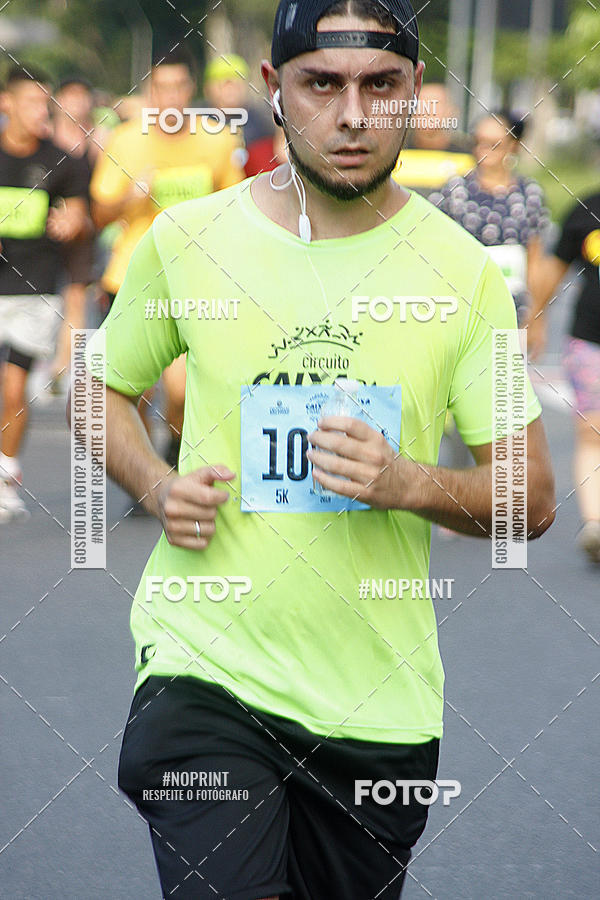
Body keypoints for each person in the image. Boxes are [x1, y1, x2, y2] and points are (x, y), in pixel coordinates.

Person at [77, 1, 556, 896]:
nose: (351, 115)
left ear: (416, 94)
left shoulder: (462, 275)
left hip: (377, 709)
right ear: (275, 90)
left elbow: (531, 498)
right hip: (203, 668)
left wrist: (407, 479)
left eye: (380, 86)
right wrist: (152, 479)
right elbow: (98, 389)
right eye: (322, 84)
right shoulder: (189, 242)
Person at [90, 46, 245, 470]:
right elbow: (98, 212)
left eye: (179, 87)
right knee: (133, 389)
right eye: (162, 88)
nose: (171, 97)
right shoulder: (126, 140)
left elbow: (236, 202)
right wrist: (128, 198)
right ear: (150, 92)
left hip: (193, 280)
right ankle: (144, 470)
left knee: (179, 392)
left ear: (190, 90)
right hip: (130, 277)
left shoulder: (216, 138)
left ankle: (174, 456)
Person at [0, 64, 88, 521]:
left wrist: (75, 222)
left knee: (13, 388)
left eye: (46, 102)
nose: (41, 111)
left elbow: (82, 217)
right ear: (6, 103)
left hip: (32, 291)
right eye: (32, 101)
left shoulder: (63, 161)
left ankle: (5, 476)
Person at [527, 191, 600, 563]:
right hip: (590, 340)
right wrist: (536, 317)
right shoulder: (587, 209)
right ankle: (595, 525)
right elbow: (553, 270)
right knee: (592, 431)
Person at [430, 111, 550, 325]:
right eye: (479, 142)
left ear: (512, 146)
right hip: (461, 305)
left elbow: (535, 258)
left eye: (494, 144)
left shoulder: (529, 193)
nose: (484, 151)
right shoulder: (455, 190)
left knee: (505, 358)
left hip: (511, 308)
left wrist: (538, 317)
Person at [50, 76, 100, 393]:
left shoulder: (98, 140)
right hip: (47, 227)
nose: (77, 104)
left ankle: (64, 365)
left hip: (86, 230)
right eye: (70, 97)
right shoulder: (45, 139)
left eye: (83, 97)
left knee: (77, 295)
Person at [392, 82, 473, 195]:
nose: (428, 111)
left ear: (452, 111)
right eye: (421, 104)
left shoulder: (470, 156)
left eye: (436, 104)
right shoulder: (392, 152)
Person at [204, 53, 278, 176]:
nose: (229, 91)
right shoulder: (199, 123)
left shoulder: (263, 123)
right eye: (223, 85)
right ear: (208, 89)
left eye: (235, 84)